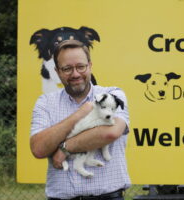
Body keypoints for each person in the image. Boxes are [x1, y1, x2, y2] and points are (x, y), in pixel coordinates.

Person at [30, 39, 130, 200]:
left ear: (90, 65)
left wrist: (65, 148)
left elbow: (111, 132)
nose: (75, 74)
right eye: (67, 68)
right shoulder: (45, 103)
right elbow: (39, 149)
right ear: (57, 71)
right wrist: (78, 114)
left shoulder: (113, 94)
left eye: (80, 66)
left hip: (108, 197)